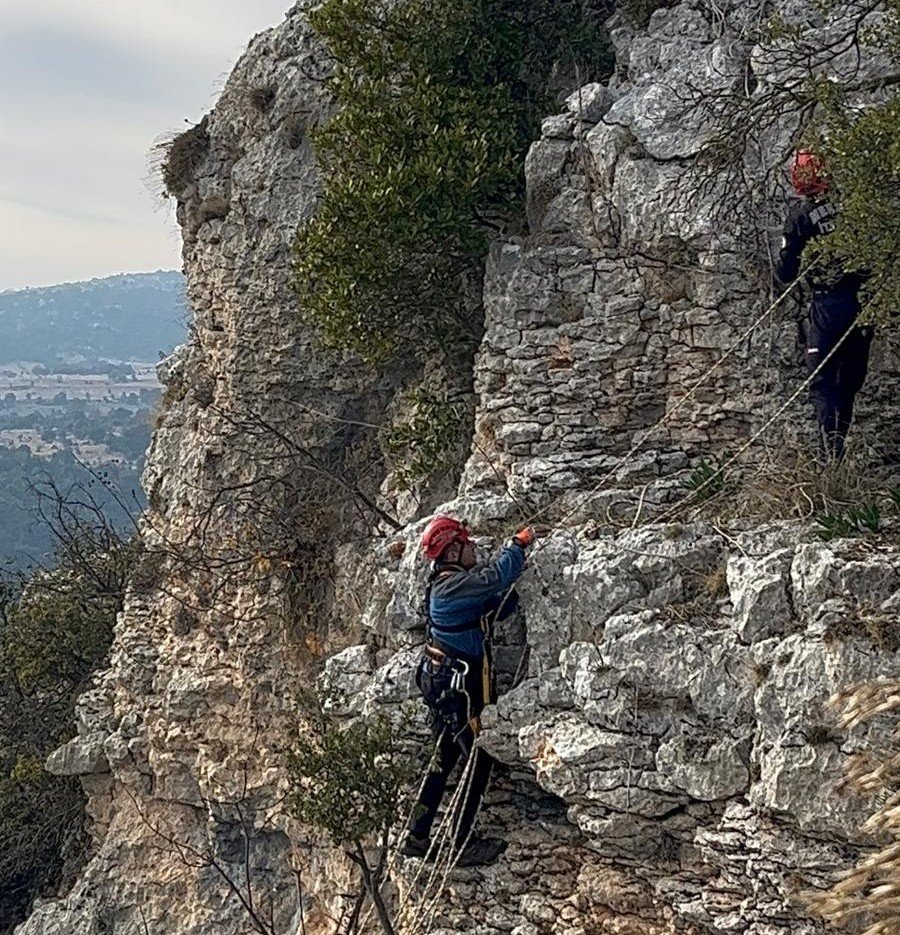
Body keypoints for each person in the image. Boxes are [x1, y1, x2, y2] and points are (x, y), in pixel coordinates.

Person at [402, 514, 541, 868]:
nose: (474, 547)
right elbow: (495, 577)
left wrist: (501, 603)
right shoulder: (453, 587)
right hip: (460, 690)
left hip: (441, 684)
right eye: (466, 544)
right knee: (479, 760)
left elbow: (487, 606)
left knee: (442, 760)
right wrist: (518, 545)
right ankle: (460, 843)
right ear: (452, 552)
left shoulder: (446, 584)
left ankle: (417, 835)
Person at [776, 149, 873, 461]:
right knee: (849, 377)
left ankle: (831, 452)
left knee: (821, 380)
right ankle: (837, 444)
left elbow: (786, 272)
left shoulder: (801, 217)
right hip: (864, 302)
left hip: (828, 305)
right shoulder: (857, 209)